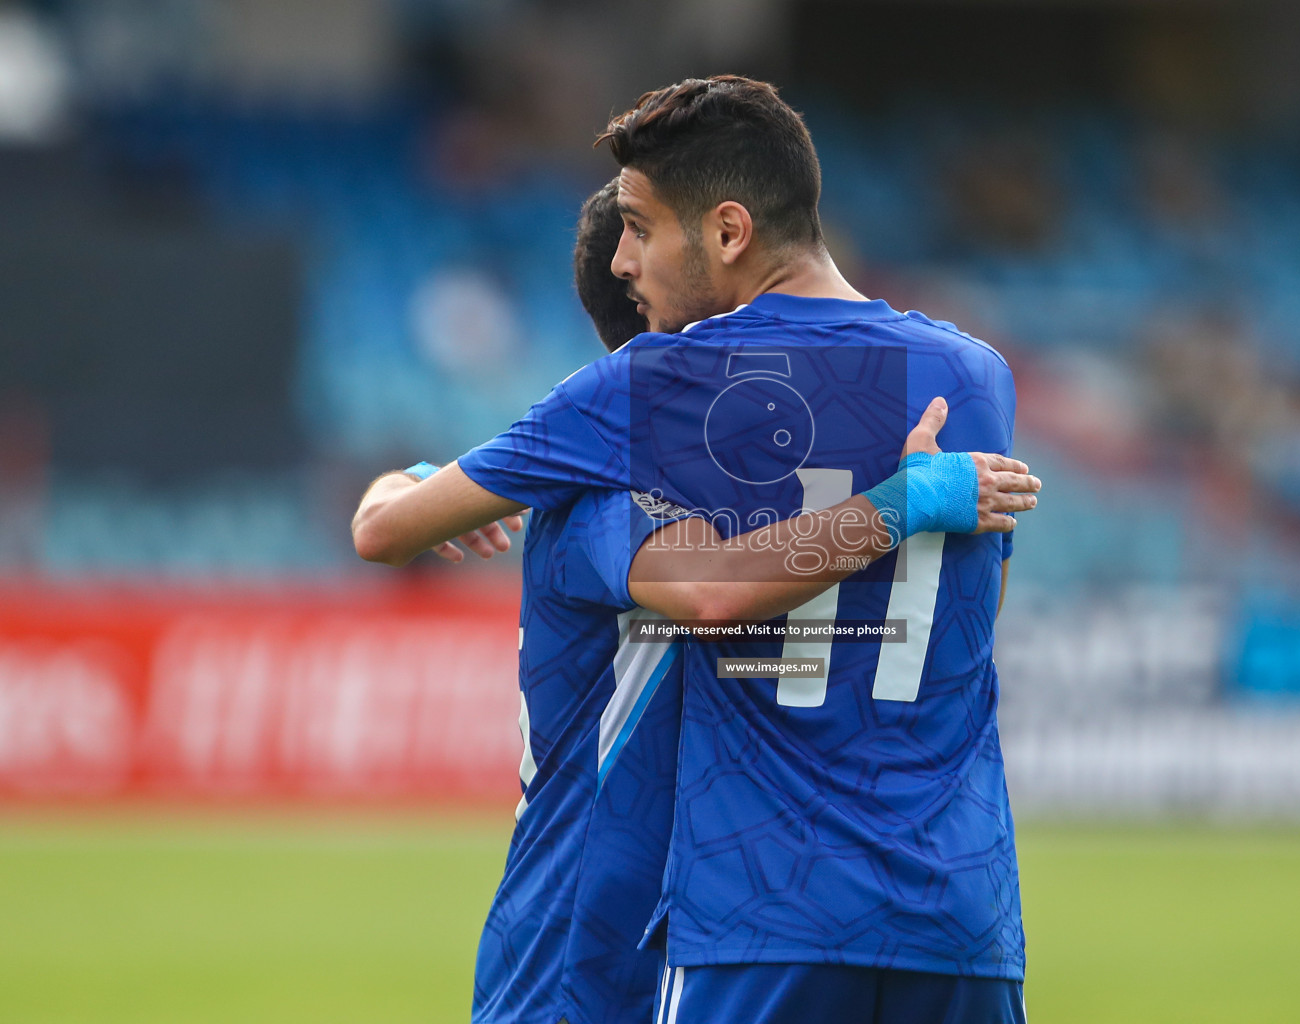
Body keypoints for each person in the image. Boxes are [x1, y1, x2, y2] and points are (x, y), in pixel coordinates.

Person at [353, 168, 1038, 1024]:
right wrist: (908, 504)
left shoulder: (700, 485)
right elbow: (718, 588)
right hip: (585, 968)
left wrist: (420, 488)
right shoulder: (613, 503)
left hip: (694, 936)